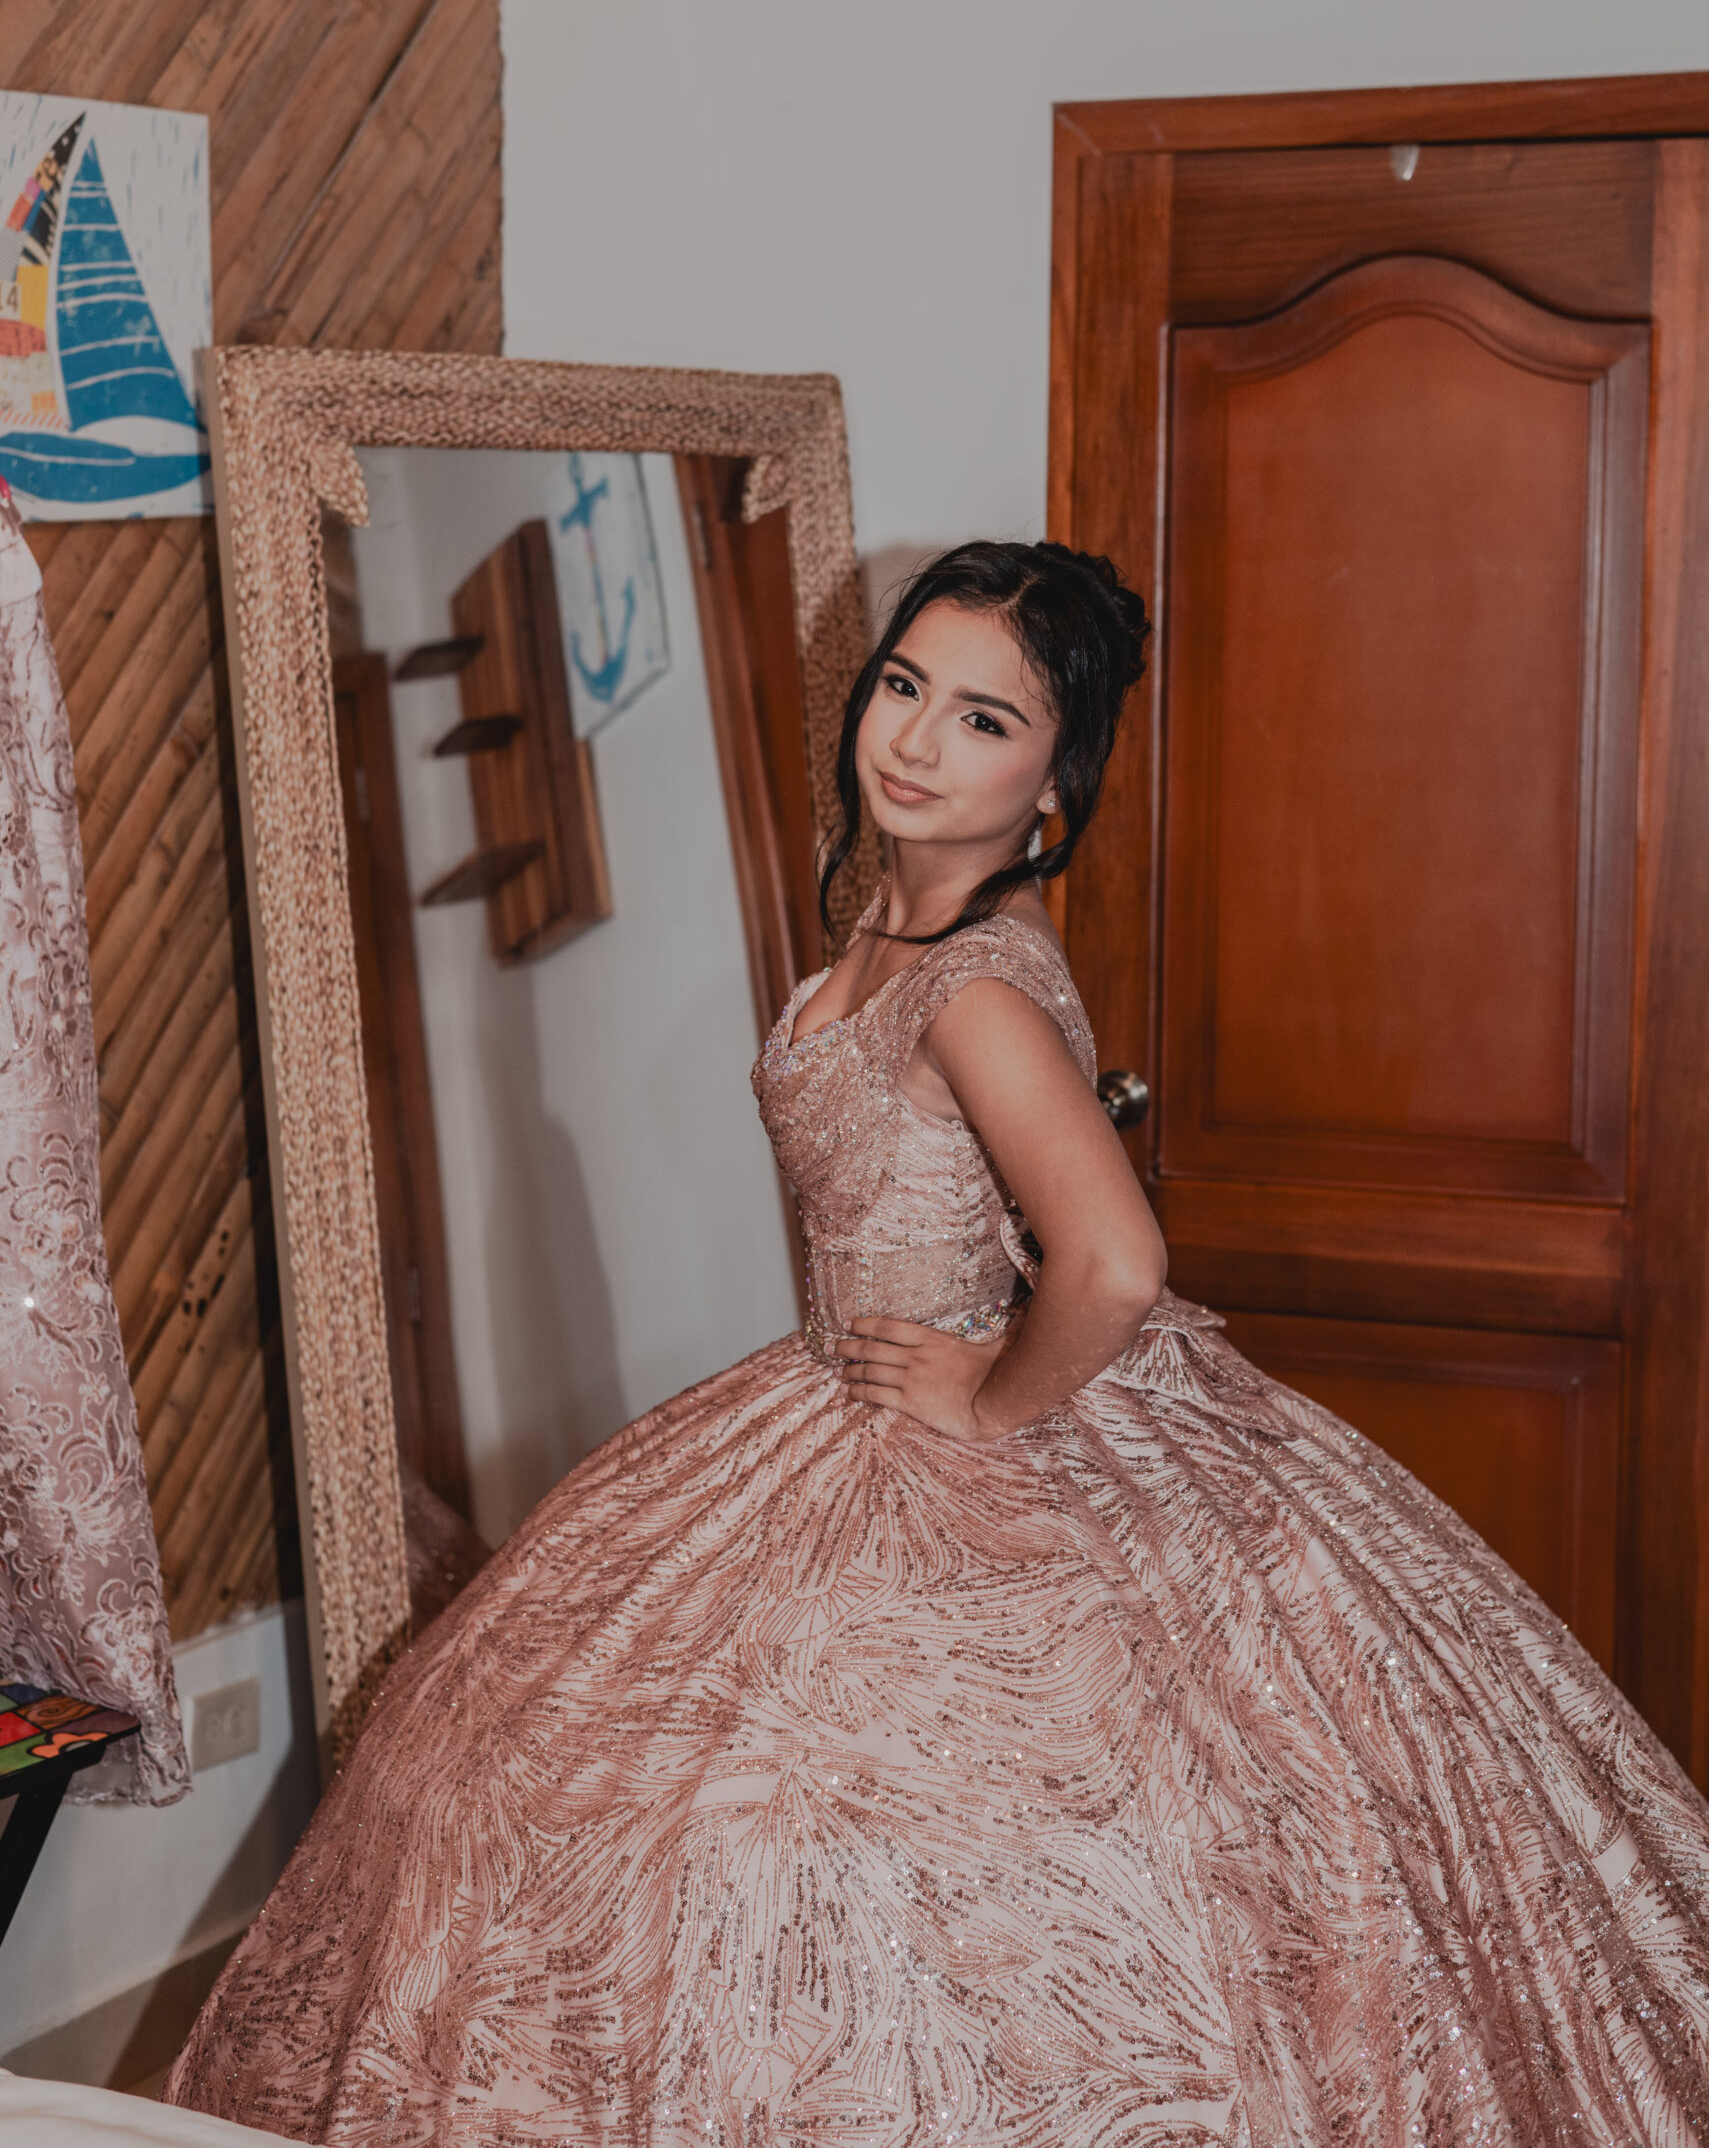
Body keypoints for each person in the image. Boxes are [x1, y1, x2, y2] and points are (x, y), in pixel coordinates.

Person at [171, 541, 1709, 2145]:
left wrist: (985, 1399)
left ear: (1057, 776)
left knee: (849, 1854)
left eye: (984, 719)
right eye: (904, 687)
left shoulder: (970, 985)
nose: (914, 740)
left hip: (949, 1419)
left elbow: (1113, 1263)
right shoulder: (898, 935)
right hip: (831, 1397)